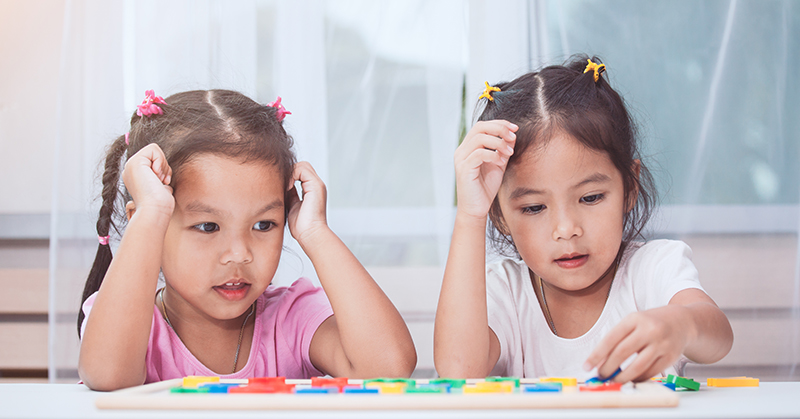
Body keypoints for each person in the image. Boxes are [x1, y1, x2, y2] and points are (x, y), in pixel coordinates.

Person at [78, 89, 416, 391]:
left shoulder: (290, 317)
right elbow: (107, 376)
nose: (238, 255)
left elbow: (389, 370)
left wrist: (315, 232)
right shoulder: (127, 319)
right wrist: (151, 215)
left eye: (264, 224)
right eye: (208, 227)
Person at [434, 56, 733, 383]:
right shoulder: (503, 290)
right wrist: (470, 216)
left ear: (629, 189)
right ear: (501, 216)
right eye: (534, 208)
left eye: (590, 198)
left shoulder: (653, 268)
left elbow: (718, 338)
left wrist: (681, 325)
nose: (566, 230)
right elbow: (458, 372)